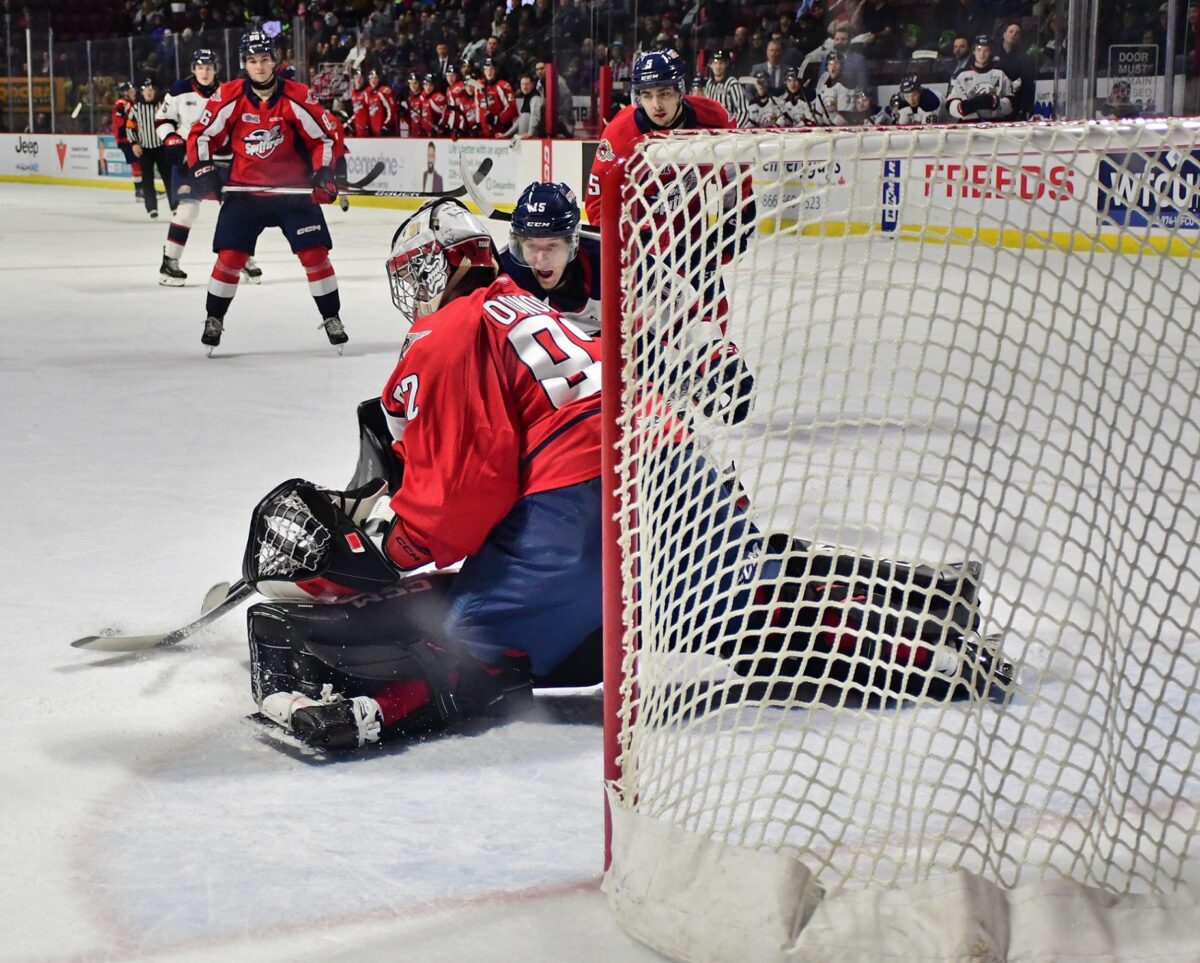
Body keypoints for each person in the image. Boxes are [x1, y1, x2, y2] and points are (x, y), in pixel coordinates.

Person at [241, 199, 1013, 751]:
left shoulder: (447, 333)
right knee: (750, 607)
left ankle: (374, 713)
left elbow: (463, 498)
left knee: (466, 638)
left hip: (580, 506)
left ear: (442, 269)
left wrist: (389, 550)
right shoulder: (527, 306)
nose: (413, 293)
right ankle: (931, 635)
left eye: (416, 274)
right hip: (678, 459)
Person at [586, 48, 757, 426]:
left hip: (695, 242)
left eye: (664, 93)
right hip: (642, 250)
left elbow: (733, 170)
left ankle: (707, 371)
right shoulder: (619, 133)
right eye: (647, 95)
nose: (656, 104)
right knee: (650, 328)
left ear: (680, 90)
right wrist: (627, 249)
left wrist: (739, 214)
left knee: (711, 318)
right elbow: (596, 204)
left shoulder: (712, 117)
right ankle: (664, 391)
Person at [186, 29, 347, 352]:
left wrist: (324, 172)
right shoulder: (229, 96)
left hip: (294, 193)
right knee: (230, 257)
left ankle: (332, 317)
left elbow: (325, 138)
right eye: (252, 61)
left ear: (275, 61)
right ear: (244, 64)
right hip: (245, 192)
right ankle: (214, 318)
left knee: (315, 255)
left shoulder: (297, 95)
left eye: (264, 59)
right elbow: (201, 135)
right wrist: (203, 169)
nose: (259, 67)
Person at [154, 49, 262, 288]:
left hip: (222, 159)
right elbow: (162, 119)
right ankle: (170, 262)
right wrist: (171, 138)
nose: (205, 71)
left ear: (216, 69)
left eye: (209, 67)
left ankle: (242, 258)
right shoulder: (179, 90)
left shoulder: (228, 92)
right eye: (200, 67)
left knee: (237, 211)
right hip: (188, 160)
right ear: (193, 69)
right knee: (187, 211)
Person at [499, 182, 600, 333]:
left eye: (552, 246)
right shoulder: (505, 274)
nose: (541, 259)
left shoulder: (610, 266)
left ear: (573, 245)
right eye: (531, 246)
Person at [126, 77, 172, 219]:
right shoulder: (136, 108)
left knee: (168, 177)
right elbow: (130, 127)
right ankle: (151, 208)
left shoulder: (162, 105)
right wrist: (134, 143)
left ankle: (175, 205)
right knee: (147, 179)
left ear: (155, 91)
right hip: (145, 149)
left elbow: (171, 122)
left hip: (161, 147)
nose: (149, 92)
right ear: (142, 92)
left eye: (151, 90)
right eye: (146, 90)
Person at [946, 35, 1014, 122]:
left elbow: (1011, 103)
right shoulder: (962, 75)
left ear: (990, 52)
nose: (982, 54)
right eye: (979, 50)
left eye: (986, 50)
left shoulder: (1000, 74)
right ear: (973, 51)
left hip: (995, 125)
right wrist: (965, 107)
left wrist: (995, 102)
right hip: (969, 125)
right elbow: (950, 104)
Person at [992, 20, 1035, 121]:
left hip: (1015, 102)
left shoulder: (1024, 58)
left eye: (1017, 32)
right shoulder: (992, 54)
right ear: (1004, 34)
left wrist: (1023, 108)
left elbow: (1027, 84)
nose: (1014, 34)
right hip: (994, 102)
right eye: (1011, 31)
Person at [111, 81, 143, 204]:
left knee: (139, 163)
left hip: (132, 139)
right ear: (125, 93)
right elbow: (119, 121)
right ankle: (140, 191)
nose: (134, 93)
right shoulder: (121, 104)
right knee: (136, 163)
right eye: (131, 91)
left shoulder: (131, 104)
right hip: (124, 139)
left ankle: (142, 190)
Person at [703, 49, 749, 126]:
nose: (718, 66)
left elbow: (743, 111)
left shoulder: (732, 84)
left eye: (721, 63)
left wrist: (734, 130)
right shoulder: (709, 84)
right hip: (713, 129)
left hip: (729, 131)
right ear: (710, 65)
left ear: (726, 64)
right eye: (715, 63)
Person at [811, 51, 856, 125]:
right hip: (827, 128)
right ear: (827, 66)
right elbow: (818, 112)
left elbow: (846, 114)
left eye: (836, 63)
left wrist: (833, 127)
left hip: (843, 130)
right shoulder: (823, 86)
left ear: (842, 66)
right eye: (830, 63)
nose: (833, 66)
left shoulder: (847, 84)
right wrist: (814, 124)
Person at [479, 58, 517, 137]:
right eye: (486, 69)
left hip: (501, 132)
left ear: (495, 70)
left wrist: (498, 119)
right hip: (485, 134)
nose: (489, 72)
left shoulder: (503, 85)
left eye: (491, 69)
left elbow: (512, 108)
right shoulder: (480, 86)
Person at [507, 72, 544, 138]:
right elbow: (520, 121)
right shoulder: (526, 98)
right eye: (523, 84)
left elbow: (535, 116)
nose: (524, 87)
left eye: (527, 84)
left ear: (532, 84)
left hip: (533, 140)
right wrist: (506, 134)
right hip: (525, 139)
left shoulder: (535, 97)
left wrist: (530, 133)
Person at [367, 68, 398, 135]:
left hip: (385, 130)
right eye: (371, 78)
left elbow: (392, 109)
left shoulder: (384, 91)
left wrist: (386, 125)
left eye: (375, 78)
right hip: (375, 132)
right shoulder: (370, 93)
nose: (373, 80)